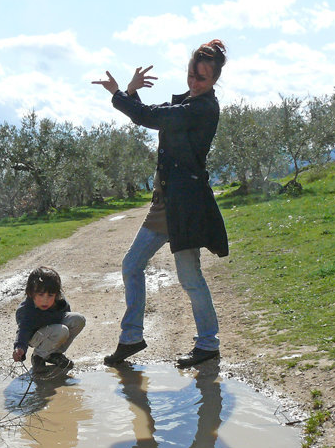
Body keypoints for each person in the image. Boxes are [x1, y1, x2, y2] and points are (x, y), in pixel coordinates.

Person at [92, 40, 229, 368]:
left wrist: (120, 95)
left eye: (202, 78)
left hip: (184, 206)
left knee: (188, 277)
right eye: (192, 75)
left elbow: (149, 117)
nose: (194, 82)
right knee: (134, 265)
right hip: (167, 203)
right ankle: (132, 338)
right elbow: (155, 118)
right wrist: (131, 94)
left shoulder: (202, 109)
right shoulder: (188, 104)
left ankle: (206, 344)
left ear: (214, 81)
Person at [12, 266, 86, 373]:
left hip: (54, 328)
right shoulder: (27, 311)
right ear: (31, 294)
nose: (45, 300)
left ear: (56, 295)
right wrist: (20, 348)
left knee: (78, 319)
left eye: (50, 295)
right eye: (41, 295)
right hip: (34, 336)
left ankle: (54, 354)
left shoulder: (60, 303)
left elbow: (68, 315)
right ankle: (38, 357)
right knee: (61, 330)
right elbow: (23, 331)